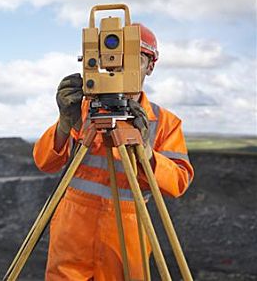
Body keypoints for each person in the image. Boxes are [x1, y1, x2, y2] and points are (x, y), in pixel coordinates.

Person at [33, 23, 194, 281]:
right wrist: (65, 123)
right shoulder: (82, 110)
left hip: (127, 236)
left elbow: (178, 182)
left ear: (150, 66)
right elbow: (45, 162)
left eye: (134, 59)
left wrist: (145, 151)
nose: (121, 68)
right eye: (117, 60)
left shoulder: (163, 122)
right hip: (72, 230)